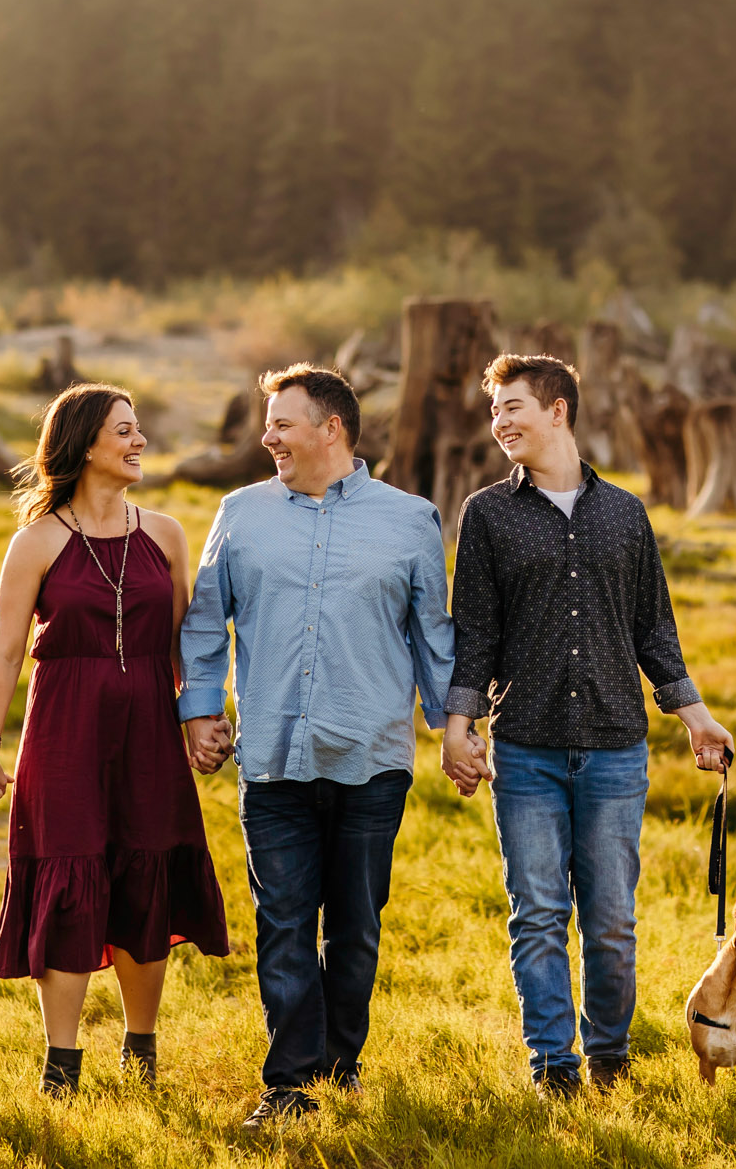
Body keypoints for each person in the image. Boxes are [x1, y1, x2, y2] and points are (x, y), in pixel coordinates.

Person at [441, 352, 734, 1097]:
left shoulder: (624, 513)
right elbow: (474, 631)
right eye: (496, 410)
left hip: (614, 750)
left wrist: (695, 716)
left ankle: (609, 1056)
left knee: (609, 920)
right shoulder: (488, 514)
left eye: (514, 408)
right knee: (537, 913)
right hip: (528, 747)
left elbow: (653, 629)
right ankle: (553, 1066)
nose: (501, 422)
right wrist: (459, 724)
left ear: (558, 411)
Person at [178, 363, 455, 1131]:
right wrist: (201, 712)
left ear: (331, 428)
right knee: (286, 922)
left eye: (282, 423)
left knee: (358, 927)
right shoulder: (240, 512)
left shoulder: (410, 520)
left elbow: (433, 636)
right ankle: (289, 1082)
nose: (267, 436)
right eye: (268, 423)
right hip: (271, 754)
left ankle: (342, 1063)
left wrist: (455, 729)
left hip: (372, 754)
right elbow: (204, 624)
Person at [0, 383, 231, 1097]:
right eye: (125, 430)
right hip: (64, 732)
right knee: (70, 875)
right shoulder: (38, 540)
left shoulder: (167, 533)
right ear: (86, 444)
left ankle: (140, 1048)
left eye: (139, 428)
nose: (139, 440)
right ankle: (62, 1063)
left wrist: (202, 717)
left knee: (147, 869)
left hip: (149, 727)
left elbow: (189, 645)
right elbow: (3, 652)